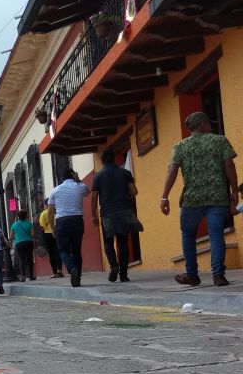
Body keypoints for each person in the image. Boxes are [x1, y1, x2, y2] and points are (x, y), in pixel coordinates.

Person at [161, 111, 239, 287]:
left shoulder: (180, 146)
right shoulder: (220, 141)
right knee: (216, 234)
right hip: (217, 197)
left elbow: (171, 170)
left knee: (188, 235)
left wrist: (164, 197)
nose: (210, 125)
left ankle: (192, 275)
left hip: (191, 200)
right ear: (202, 125)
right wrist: (234, 190)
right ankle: (218, 275)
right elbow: (229, 165)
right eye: (207, 123)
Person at [93, 149, 142, 283]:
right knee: (123, 243)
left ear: (102, 161)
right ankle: (124, 275)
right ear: (114, 158)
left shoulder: (98, 176)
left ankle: (114, 266)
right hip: (124, 211)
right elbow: (134, 191)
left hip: (107, 213)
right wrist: (125, 198)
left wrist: (94, 215)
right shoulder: (125, 173)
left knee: (108, 242)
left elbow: (94, 197)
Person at [47, 169, 91, 287]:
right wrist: (79, 180)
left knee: (63, 250)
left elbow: (50, 211)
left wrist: (52, 228)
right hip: (77, 220)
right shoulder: (80, 187)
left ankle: (72, 269)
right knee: (76, 251)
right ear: (73, 175)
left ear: (62, 178)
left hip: (62, 222)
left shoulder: (55, 191)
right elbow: (88, 192)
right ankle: (78, 277)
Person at [38, 204, 64, 278]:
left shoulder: (43, 213)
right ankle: (60, 270)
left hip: (47, 235)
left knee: (51, 254)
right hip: (57, 233)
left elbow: (42, 226)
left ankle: (55, 272)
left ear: (46, 205)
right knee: (58, 251)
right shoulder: (56, 212)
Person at [10, 210, 36, 282]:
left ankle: (23, 276)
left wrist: (11, 244)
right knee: (30, 259)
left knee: (22, 260)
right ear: (26, 216)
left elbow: (11, 237)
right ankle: (31, 276)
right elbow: (33, 235)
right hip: (28, 242)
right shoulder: (29, 224)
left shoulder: (14, 225)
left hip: (19, 243)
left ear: (18, 216)